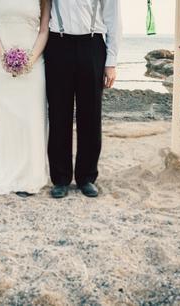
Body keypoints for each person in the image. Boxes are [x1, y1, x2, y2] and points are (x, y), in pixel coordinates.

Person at [44, 0, 122, 198]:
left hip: (92, 44)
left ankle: (86, 177)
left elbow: (114, 20)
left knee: (91, 115)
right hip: (58, 44)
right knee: (58, 114)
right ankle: (60, 178)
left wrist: (111, 63)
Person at [0, 0, 51, 197]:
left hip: (33, 63)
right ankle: (8, 174)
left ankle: (32, 176)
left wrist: (29, 60)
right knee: (8, 122)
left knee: (32, 121)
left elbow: (44, 30)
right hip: (1, 63)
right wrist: (4, 58)